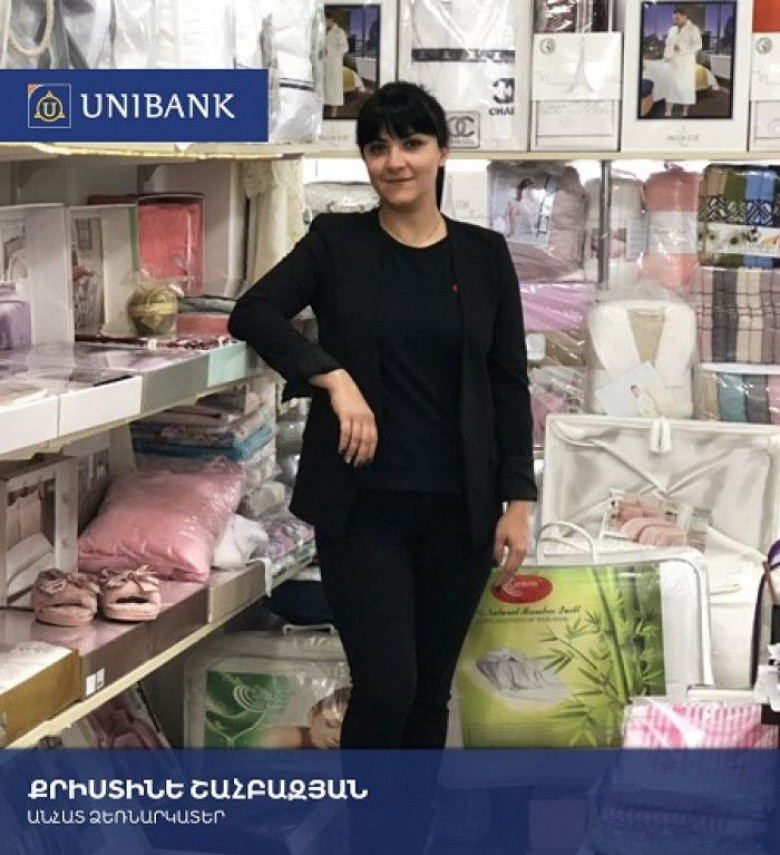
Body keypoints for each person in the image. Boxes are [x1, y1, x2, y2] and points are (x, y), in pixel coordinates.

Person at [228, 81, 537, 750]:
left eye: (412, 144)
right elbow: (254, 311)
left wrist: (518, 500)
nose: (395, 161)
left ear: (442, 153)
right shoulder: (336, 243)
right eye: (378, 147)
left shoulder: (484, 256)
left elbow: (508, 381)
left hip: (461, 510)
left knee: (429, 694)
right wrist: (331, 376)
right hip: (363, 508)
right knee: (387, 686)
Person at [663, 7, 702, 118]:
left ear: (685, 17)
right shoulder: (672, 30)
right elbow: (668, 43)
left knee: (686, 87)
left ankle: (685, 111)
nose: (675, 21)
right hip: (674, 62)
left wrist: (682, 48)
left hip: (686, 63)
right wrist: (668, 54)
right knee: (671, 86)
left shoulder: (693, 29)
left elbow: (698, 45)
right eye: (674, 19)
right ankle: (668, 110)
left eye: (677, 18)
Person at [324, 11, 349, 118]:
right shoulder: (322, 31)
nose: (324, 23)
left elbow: (345, 48)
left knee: (335, 89)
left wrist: (330, 52)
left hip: (334, 63)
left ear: (331, 20)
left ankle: (334, 113)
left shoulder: (339, 32)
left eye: (326, 21)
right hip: (323, 64)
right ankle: (322, 111)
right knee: (324, 88)